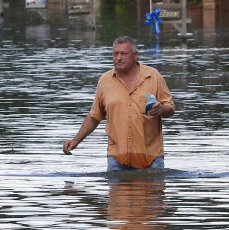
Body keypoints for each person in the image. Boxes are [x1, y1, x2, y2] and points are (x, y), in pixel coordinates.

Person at [62, 36, 175, 171]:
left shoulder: (153, 76)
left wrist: (161, 109)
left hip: (151, 157)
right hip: (117, 158)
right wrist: (75, 141)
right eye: (115, 54)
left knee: (153, 191)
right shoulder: (105, 81)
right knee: (118, 191)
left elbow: (170, 108)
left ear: (135, 55)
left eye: (124, 54)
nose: (119, 58)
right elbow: (94, 116)